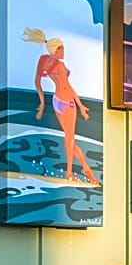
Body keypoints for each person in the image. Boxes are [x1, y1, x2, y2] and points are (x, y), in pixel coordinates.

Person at [22, 28, 99, 185]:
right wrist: (81, 105)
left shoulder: (43, 60)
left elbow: (37, 82)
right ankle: (70, 172)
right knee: (69, 138)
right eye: (62, 48)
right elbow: (68, 86)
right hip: (67, 102)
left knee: (70, 140)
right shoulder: (60, 66)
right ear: (57, 49)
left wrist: (42, 103)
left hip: (56, 101)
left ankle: (85, 168)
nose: (64, 51)